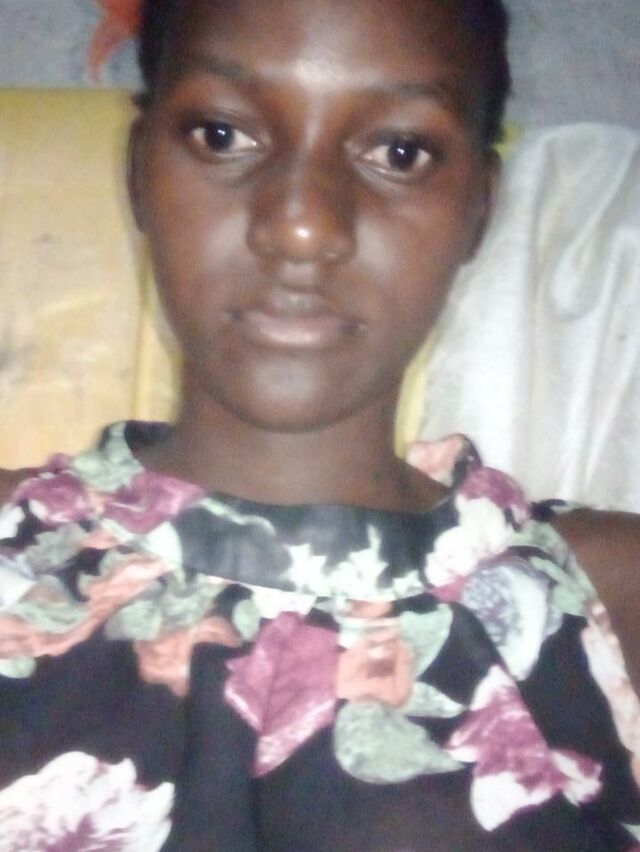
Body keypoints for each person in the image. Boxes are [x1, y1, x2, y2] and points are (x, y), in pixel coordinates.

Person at [0, 0, 638, 849]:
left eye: (399, 153)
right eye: (222, 136)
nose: (301, 226)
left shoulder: (612, 600)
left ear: (480, 209)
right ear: (138, 171)